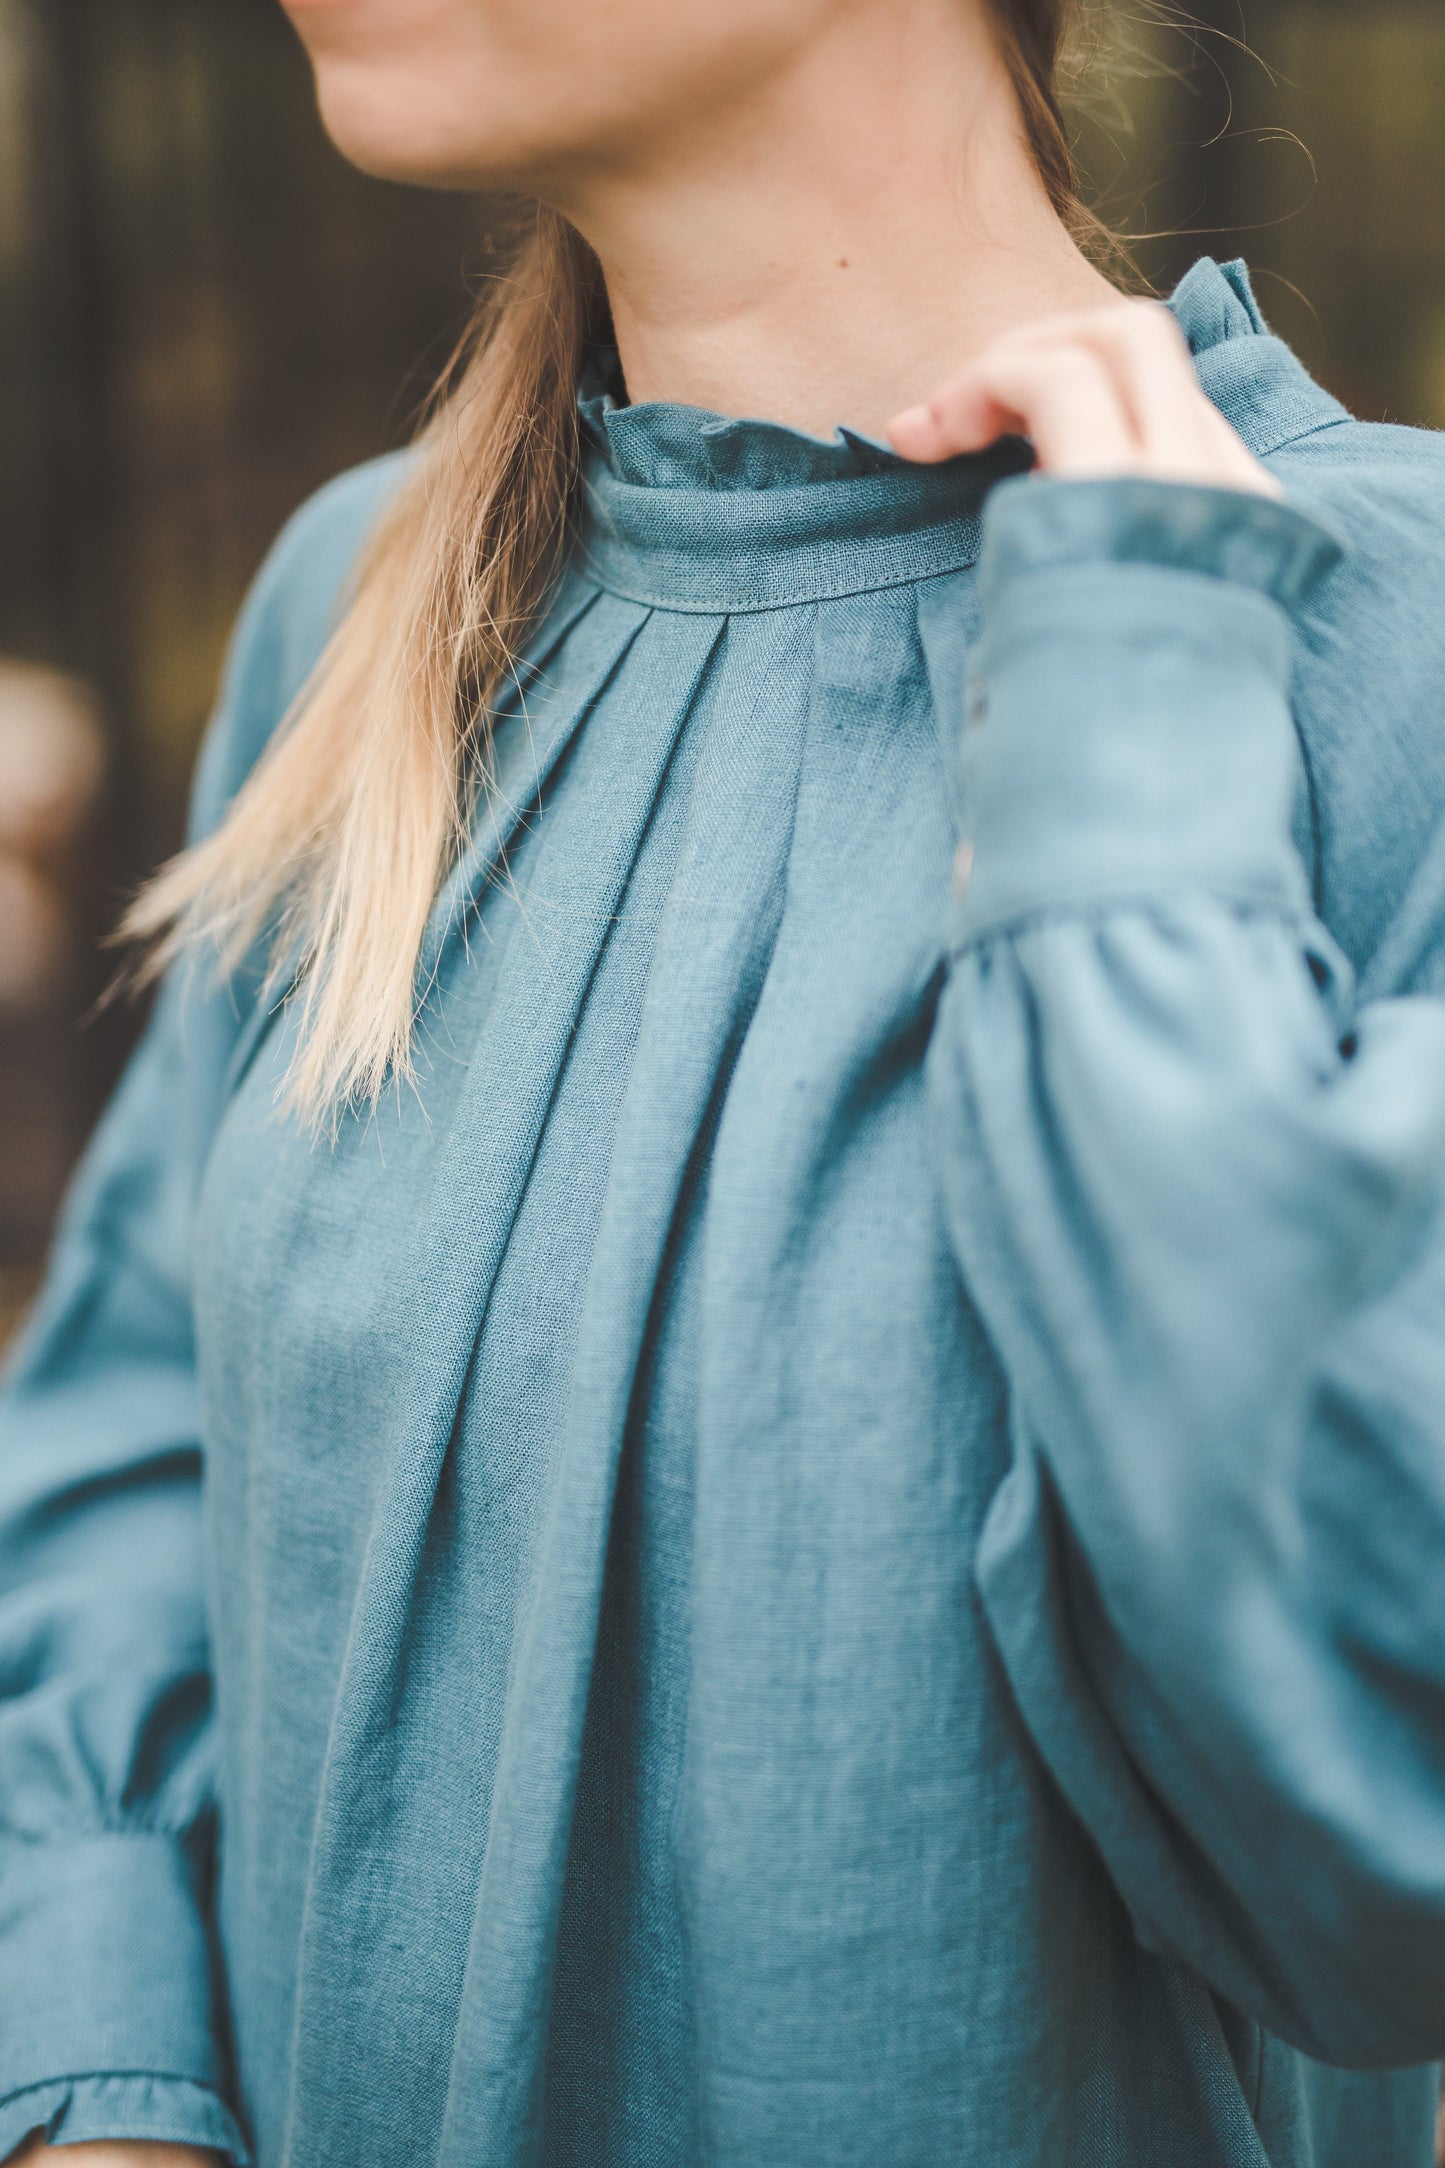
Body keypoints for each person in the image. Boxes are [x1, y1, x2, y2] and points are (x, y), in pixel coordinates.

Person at [4, 0, 1445, 2161]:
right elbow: (130, 1452)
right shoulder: (359, 618)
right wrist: (101, 2099)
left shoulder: (1394, 648)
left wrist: (1132, 755)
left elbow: (1377, 1829)